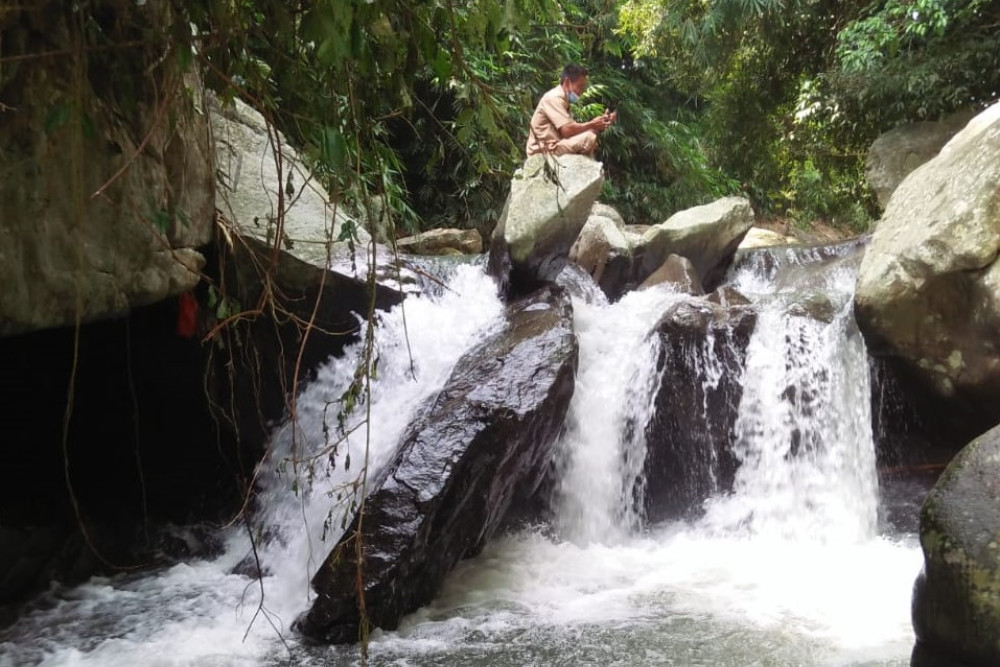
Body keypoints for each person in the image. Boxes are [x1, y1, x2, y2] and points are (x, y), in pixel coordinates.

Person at [525, 63, 617, 157]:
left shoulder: (564, 102)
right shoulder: (554, 98)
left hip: (553, 147)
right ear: (567, 82)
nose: (582, 92)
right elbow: (567, 131)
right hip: (542, 151)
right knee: (588, 138)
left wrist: (600, 124)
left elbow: (572, 132)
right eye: (580, 86)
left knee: (590, 135)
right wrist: (592, 124)